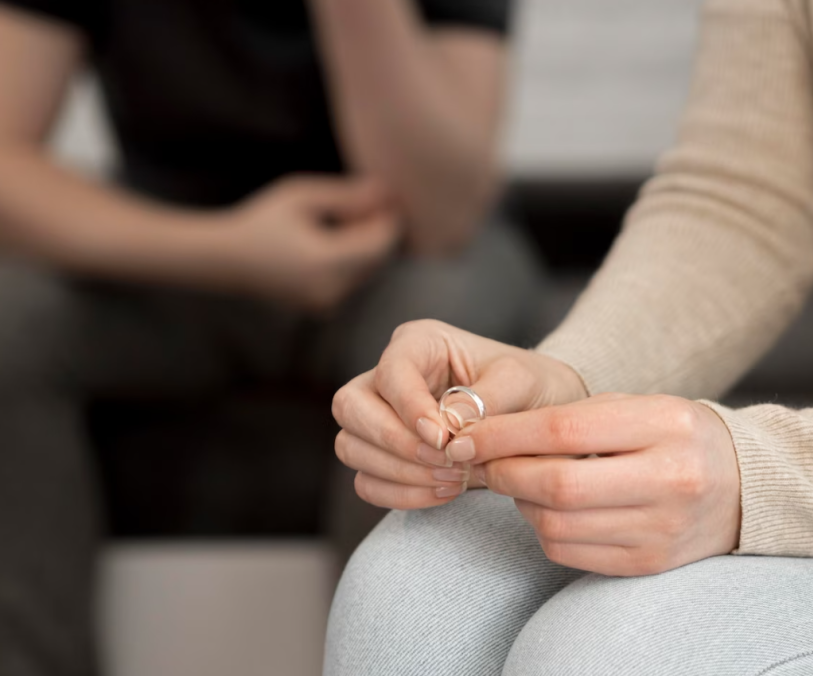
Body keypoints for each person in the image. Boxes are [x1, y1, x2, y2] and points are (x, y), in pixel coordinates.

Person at [326, 0, 813, 673]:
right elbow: (743, 198)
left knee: (614, 649)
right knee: (411, 583)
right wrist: (566, 379)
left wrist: (761, 479)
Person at [0, 1, 538, 675]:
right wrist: (226, 250)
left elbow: (443, 218)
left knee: (446, 316)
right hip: (176, 265)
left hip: (398, 267)